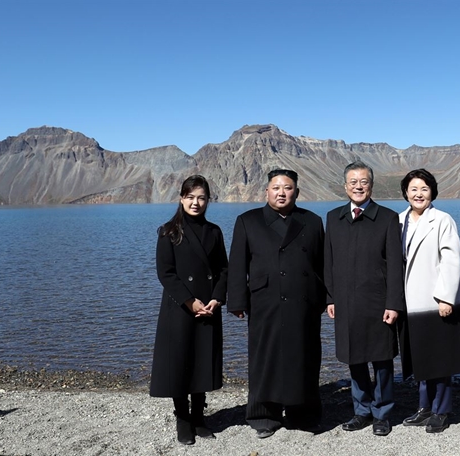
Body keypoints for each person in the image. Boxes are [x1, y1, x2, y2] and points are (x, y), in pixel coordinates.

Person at [227, 169, 326, 439]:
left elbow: (323, 265)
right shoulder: (248, 221)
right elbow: (237, 264)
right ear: (266, 191)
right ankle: (263, 415)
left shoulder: (313, 221)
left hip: (304, 301)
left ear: (297, 192)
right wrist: (236, 299)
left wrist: (328, 298)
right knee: (264, 356)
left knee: (304, 356)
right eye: (276, 188)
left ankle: (303, 414)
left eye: (288, 188)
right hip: (264, 300)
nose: (281, 193)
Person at [324, 161, 405, 437]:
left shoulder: (387, 218)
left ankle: (382, 413)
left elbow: (395, 265)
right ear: (345, 186)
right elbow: (329, 261)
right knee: (354, 357)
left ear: (372, 185)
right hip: (345, 302)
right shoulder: (333, 217)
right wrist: (330, 297)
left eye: (364, 182)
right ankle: (361, 411)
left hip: (378, 302)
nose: (358, 186)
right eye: (353, 182)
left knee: (381, 359)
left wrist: (394, 303)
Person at [150, 175, 228, 445]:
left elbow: (222, 270)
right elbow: (166, 273)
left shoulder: (215, 232)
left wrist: (217, 298)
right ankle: (183, 419)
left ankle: (199, 417)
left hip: (208, 306)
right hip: (180, 308)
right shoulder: (169, 231)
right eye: (191, 197)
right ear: (181, 198)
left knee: (201, 361)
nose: (196, 203)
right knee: (179, 362)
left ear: (208, 200)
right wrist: (188, 301)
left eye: (202, 198)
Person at [398, 169, 460, 433]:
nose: (419, 194)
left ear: (432, 193)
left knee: (441, 359)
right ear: (406, 192)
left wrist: (445, 297)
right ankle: (423, 408)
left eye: (424, 189)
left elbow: (451, 260)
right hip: (409, 303)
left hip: (436, 301)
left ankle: (441, 410)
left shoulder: (442, 220)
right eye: (414, 189)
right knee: (421, 359)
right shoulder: (399, 220)